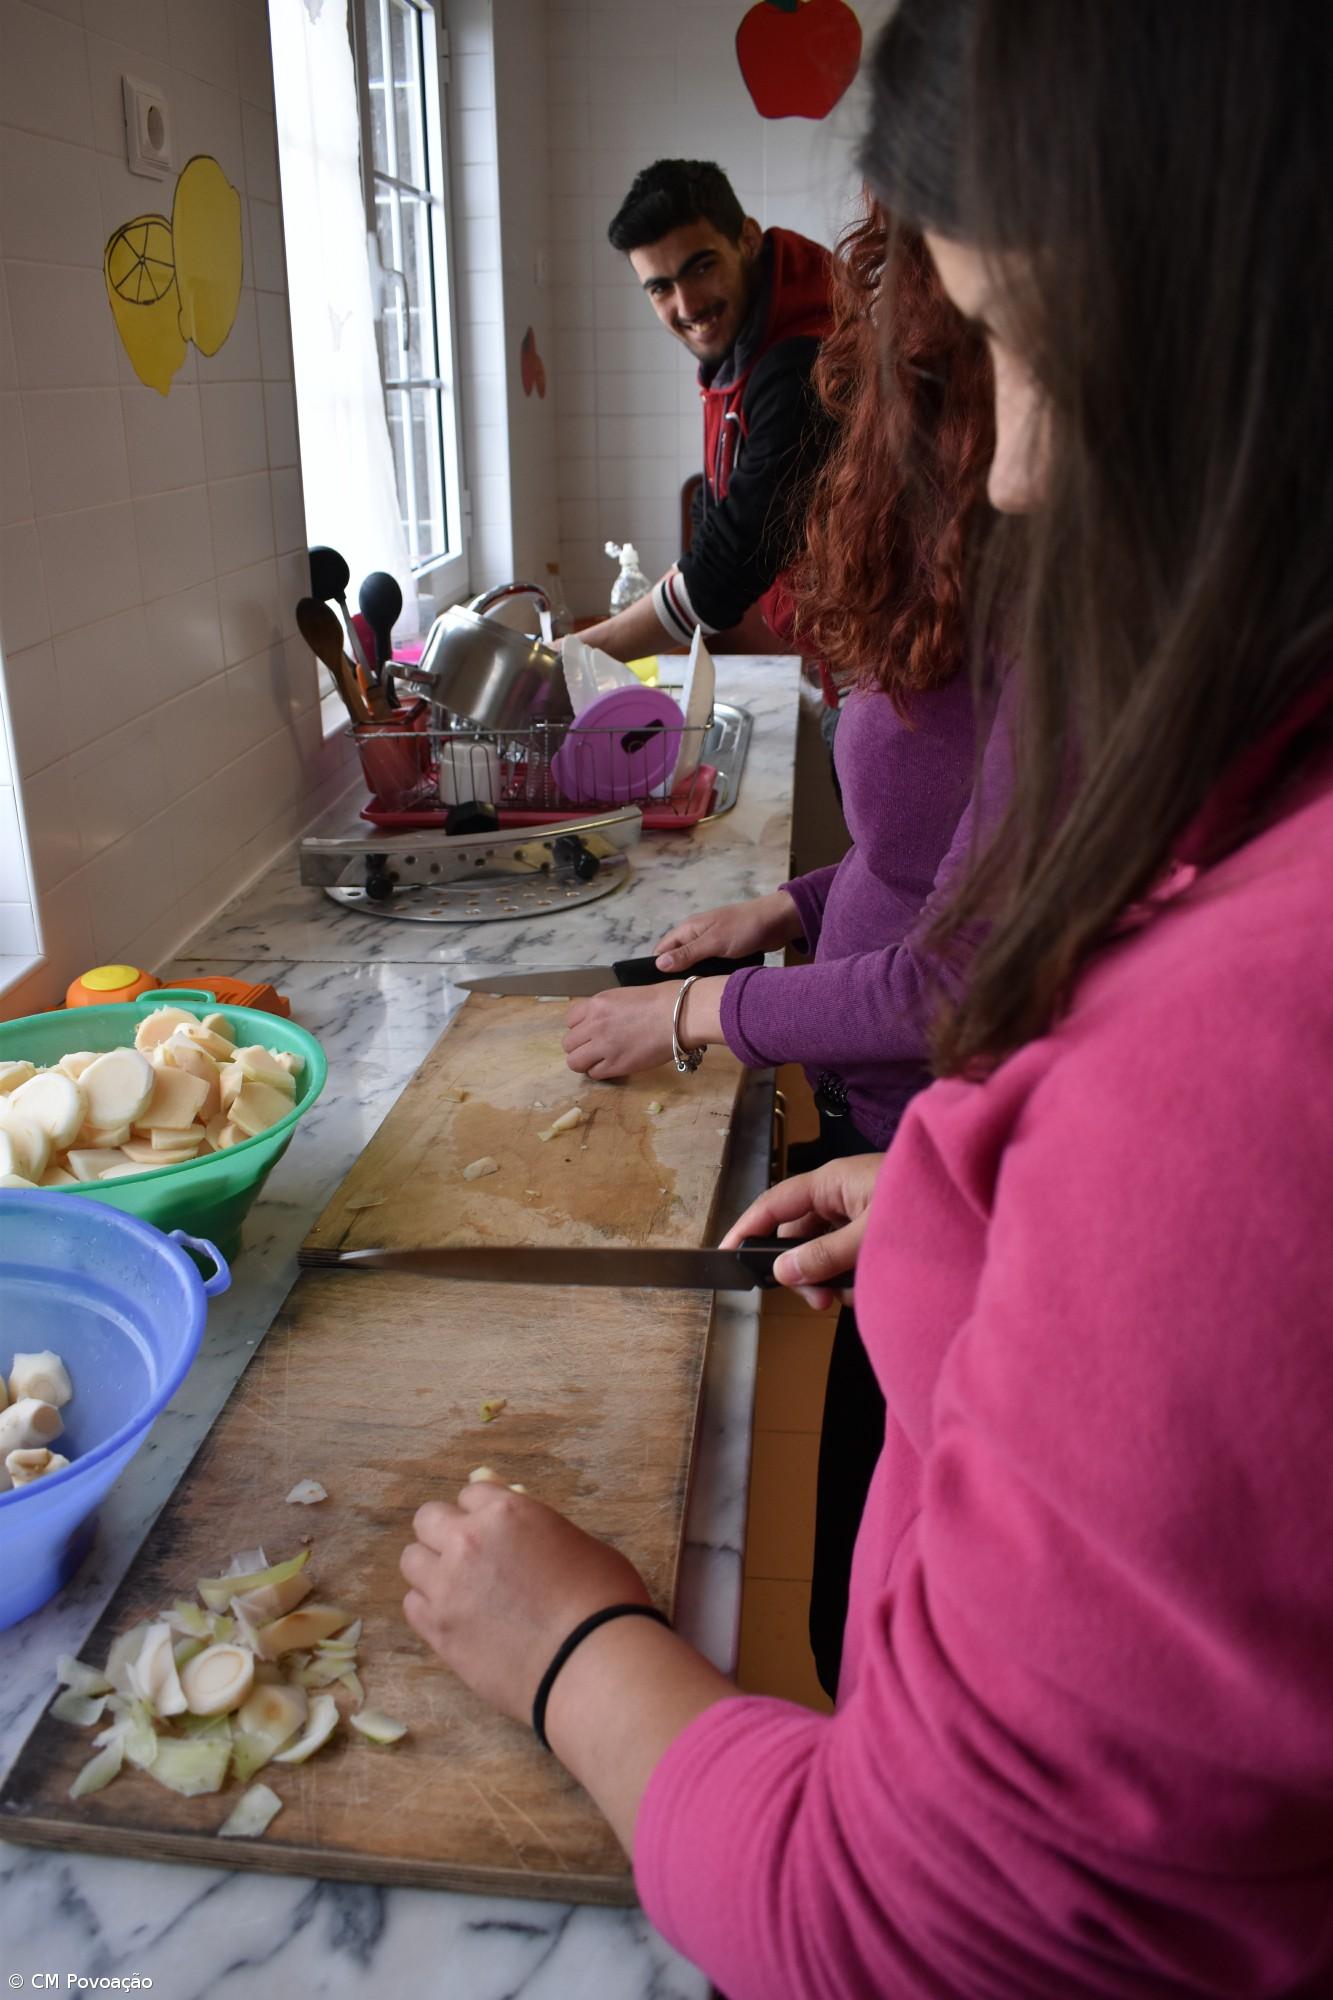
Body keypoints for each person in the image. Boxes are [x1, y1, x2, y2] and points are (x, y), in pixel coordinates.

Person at [400, 2, 1333, 1991]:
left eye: (1023, 361)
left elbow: (896, 1923)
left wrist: (569, 1642)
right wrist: (973, 1205)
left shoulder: (1249, 1047)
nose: (999, 489)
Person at [561, 201, 1000, 1696]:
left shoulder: (1029, 603)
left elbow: (959, 966)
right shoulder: (946, 557)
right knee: (850, 1584)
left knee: (877, 1623)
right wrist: (793, 906)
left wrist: (705, 1021)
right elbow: (915, 858)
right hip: (888, 1146)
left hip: (936, 1142)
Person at [574, 158, 837, 664]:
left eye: (701, 266)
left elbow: (728, 569)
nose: (688, 303)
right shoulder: (745, 349)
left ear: (748, 239)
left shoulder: (805, 361)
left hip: (893, 672)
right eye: (660, 287)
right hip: (844, 661)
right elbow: (716, 510)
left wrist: (573, 656)